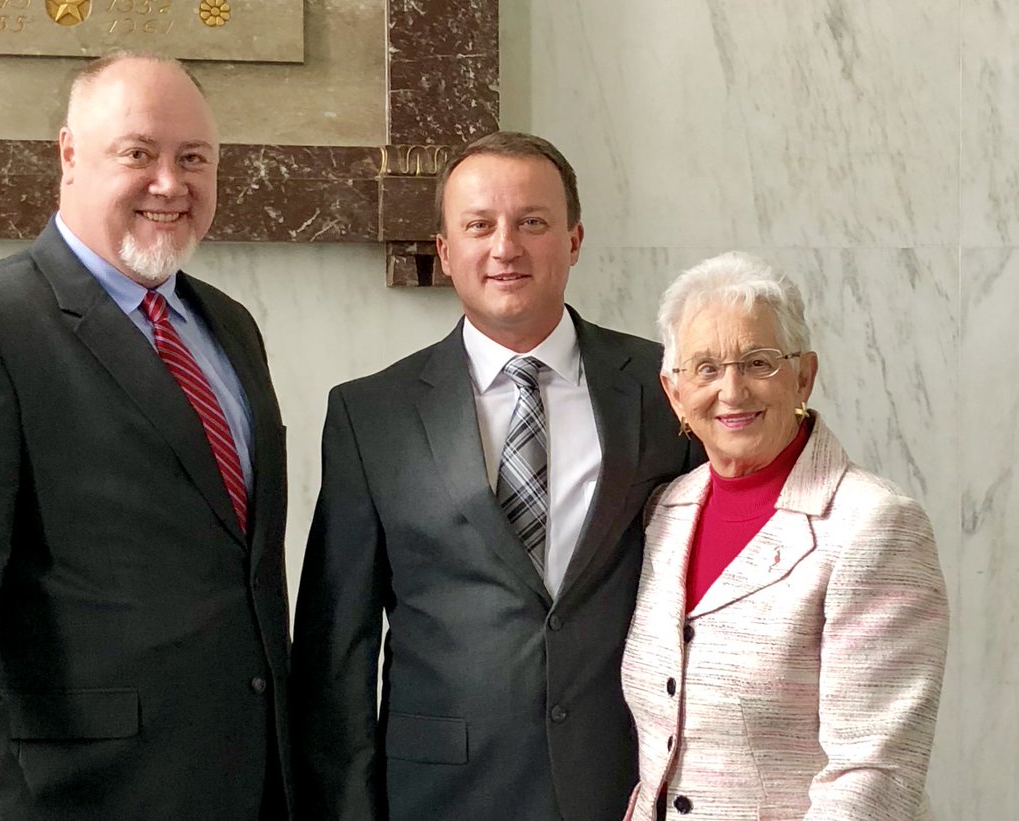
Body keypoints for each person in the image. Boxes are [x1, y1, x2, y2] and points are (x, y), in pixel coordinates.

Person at [0, 52, 291, 821]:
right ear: (69, 155)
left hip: (245, 785)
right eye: (139, 153)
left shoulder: (230, 327)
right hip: (69, 798)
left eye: (194, 158)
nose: (170, 183)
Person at [290, 131, 698, 821]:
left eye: (532, 222)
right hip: (441, 792)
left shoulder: (667, 389)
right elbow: (338, 648)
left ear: (573, 240)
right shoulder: (372, 414)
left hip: (623, 781)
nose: (505, 247)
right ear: (446, 250)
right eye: (479, 225)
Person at [621, 251, 948, 820]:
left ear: (803, 376)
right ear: (674, 393)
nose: (732, 391)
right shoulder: (665, 511)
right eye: (706, 368)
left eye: (758, 362)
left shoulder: (874, 524)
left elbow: (873, 774)